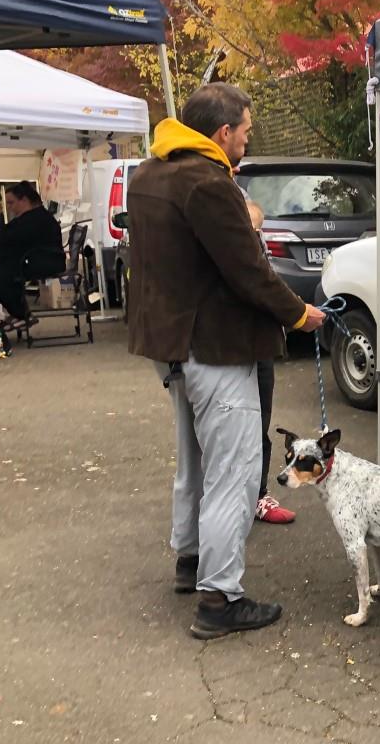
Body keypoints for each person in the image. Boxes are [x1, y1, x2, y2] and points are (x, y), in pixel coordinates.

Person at [127, 82, 325, 640]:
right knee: (235, 472)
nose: (247, 136)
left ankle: (190, 561)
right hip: (213, 346)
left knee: (194, 460)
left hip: (172, 346)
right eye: (245, 129)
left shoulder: (149, 176)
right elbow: (248, 272)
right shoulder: (207, 184)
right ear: (222, 133)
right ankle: (219, 598)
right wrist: (298, 315)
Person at [245, 198, 296, 524]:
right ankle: (237, 499)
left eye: (259, 231)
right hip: (231, 351)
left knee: (260, 424)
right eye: (251, 231)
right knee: (236, 432)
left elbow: (270, 288)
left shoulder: (260, 256)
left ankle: (259, 495)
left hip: (260, 347)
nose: (257, 237)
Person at [0, 182, 64, 329]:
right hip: (30, 260)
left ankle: (21, 314)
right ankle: (19, 312)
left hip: (42, 262)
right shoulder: (31, 217)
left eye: (11, 202)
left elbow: (15, 237)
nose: (9, 207)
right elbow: (12, 235)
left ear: (24, 200)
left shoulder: (37, 218)